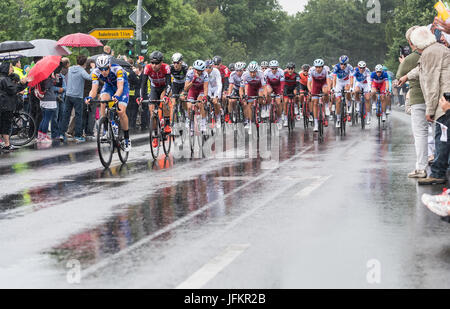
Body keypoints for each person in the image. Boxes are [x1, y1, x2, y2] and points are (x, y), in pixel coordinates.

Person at [398, 26, 450, 185]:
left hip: (444, 98)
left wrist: (430, 109)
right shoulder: (437, 49)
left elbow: (432, 83)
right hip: (445, 96)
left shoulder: (428, 53)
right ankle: (438, 171)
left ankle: (438, 174)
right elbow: (421, 68)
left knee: (441, 137)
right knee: (442, 136)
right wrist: (408, 76)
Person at [396, 25, 428, 179]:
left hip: (418, 97)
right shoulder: (435, 51)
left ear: (410, 42)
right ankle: (436, 160)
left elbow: (399, 77)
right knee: (437, 131)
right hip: (437, 96)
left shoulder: (410, 59)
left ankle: (421, 167)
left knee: (420, 133)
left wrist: (403, 62)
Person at [86, 55, 131, 152]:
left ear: (109, 66)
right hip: (109, 86)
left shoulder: (118, 70)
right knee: (103, 99)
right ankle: (105, 128)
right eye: (101, 69)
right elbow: (94, 89)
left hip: (122, 87)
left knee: (121, 111)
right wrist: (90, 97)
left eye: (105, 69)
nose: (103, 72)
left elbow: (120, 87)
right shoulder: (95, 72)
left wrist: (116, 96)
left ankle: (127, 138)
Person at [139, 51, 172, 137]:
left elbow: (169, 84)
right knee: (152, 110)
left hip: (165, 87)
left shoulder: (166, 67)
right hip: (154, 88)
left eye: (156, 63)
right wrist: (141, 97)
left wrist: (166, 95)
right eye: (152, 63)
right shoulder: (147, 68)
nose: (154, 65)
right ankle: (155, 134)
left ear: (161, 62)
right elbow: (143, 84)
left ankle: (167, 124)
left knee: (163, 99)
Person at [60, 55, 92, 142]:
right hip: (78, 96)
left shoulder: (70, 69)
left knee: (66, 115)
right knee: (78, 116)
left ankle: (62, 134)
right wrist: (93, 69)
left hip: (68, 95)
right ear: (85, 63)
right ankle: (78, 135)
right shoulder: (82, 71)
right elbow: (90, 78)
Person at [0, 62, 28, 151]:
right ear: (6, 69)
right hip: (6, 105)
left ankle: (6, 144)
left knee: (3, 124)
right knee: (6, 125)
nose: (12, 69)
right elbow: (13, 89)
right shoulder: (4, 79)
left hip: (4, 105)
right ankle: (7, 144)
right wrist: (23, 83)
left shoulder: (4, 78)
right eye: (10, 67)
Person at [184, 60, 209, 134]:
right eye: (197, 70)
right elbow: (186, 88)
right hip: (192, 89)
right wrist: (193, 80)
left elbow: (205, 87)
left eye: (200, 70)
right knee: (189, 106)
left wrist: (205, 96)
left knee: (200, 104)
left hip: (201, 89)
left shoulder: (205, 74)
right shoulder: (190, 73)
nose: (198, 72)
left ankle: (203, 123)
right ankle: (190, 124)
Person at [307, 59, 331, 132]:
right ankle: (316, 123)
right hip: (316, 84)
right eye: (316, 67)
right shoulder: (311, 70)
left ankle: (326, 106)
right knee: (315, 102)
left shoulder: (326, 70)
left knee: (325, 91)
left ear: (322, 67)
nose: (318, 69)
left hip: (323, 83)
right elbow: (309, 83)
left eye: (319, 67)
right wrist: (310, 91)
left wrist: (329, 89)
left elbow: (328, 81)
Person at [332, 55, 354, 128]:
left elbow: (351, 78)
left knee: (348, 91)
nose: (343, 66)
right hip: (339, 82)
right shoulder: (336, 67)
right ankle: (338, 119)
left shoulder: (350, 67)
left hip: (346, 81)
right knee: (338, 101)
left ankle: (348, 106)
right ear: (339, 63)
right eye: (341, 64)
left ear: (347, 64)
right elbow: (334, 78)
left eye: (344, 64)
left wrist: (351, 87)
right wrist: (334, 87)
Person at [37, 74, 58, 144]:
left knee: (44, 118)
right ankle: (43, 137)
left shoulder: (41, 78)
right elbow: (50, 86)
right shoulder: (48, 79)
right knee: (46, 119)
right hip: (49, 100)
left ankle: (40, 136)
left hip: (43, 100)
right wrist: (53, 78)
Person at [264, 60, 285, 129]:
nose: (274, 70)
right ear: (270, 68)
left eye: (275, 68)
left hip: (278, 86)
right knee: (268, 91)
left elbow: (282, 83)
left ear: (278, 68)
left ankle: (279, 119)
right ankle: (268, 106)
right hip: (270, 85)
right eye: (272, 68)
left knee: (278, 103)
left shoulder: (281, 72)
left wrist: (281, 92)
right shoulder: (266, 72)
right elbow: (264, 83)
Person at [352, 61, 372, 125]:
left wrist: (369, 89)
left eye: (363, 68)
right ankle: (358, 104)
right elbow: (354, 80)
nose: (362, 69)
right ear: (358, 67)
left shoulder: (367, 71)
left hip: (365, 84)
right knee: (356, 90)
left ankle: (368, 116)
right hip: (359, 83)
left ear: (365, 67)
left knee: (368, 99)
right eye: (360, 68)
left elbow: (369, 81)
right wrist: (353, 88)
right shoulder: (356, 71)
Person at [205, 60, 223, 128]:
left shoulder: (216, 71)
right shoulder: (204, 72)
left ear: (212, 67)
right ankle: (207, 117)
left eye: (209, 67)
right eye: (206, 67)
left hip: (216, 88)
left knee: (215, 102)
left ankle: (218, 117)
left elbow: (219, 84)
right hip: (209, 88)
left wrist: (217, 96)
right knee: (205, 101)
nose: (207, 69)